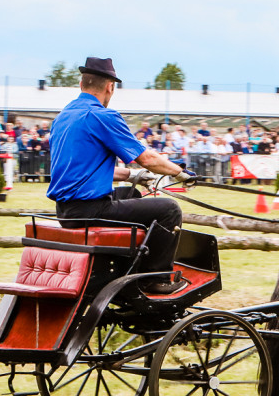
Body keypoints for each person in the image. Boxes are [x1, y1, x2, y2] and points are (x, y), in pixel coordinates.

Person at [47, 57, 195, 294]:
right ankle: (155, 279)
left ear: (82, 83)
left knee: (131, 194)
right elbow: (146, 157)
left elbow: (84, 168)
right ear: (110, 86)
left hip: (66, 211)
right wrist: (180, 173)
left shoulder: (64, 117)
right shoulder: (101, 116)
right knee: (169, 209)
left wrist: (133, 175)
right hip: (90, 210)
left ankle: (130, 269)